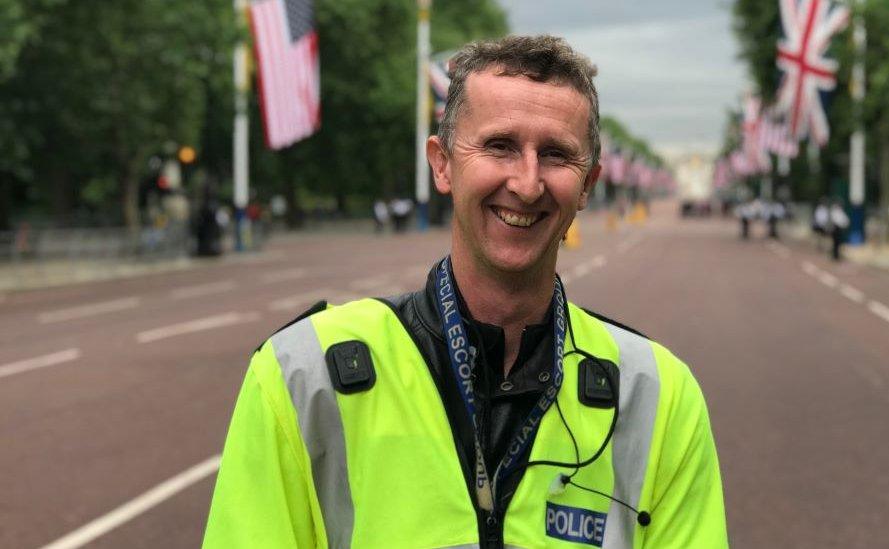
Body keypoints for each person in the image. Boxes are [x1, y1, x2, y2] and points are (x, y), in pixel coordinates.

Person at [203, 35, 727, 548]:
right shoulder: (301, 373)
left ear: (587, 185)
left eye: (555, 155)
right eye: (500, 146)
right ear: (442, 163)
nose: (526, 182)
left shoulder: (660, 395)